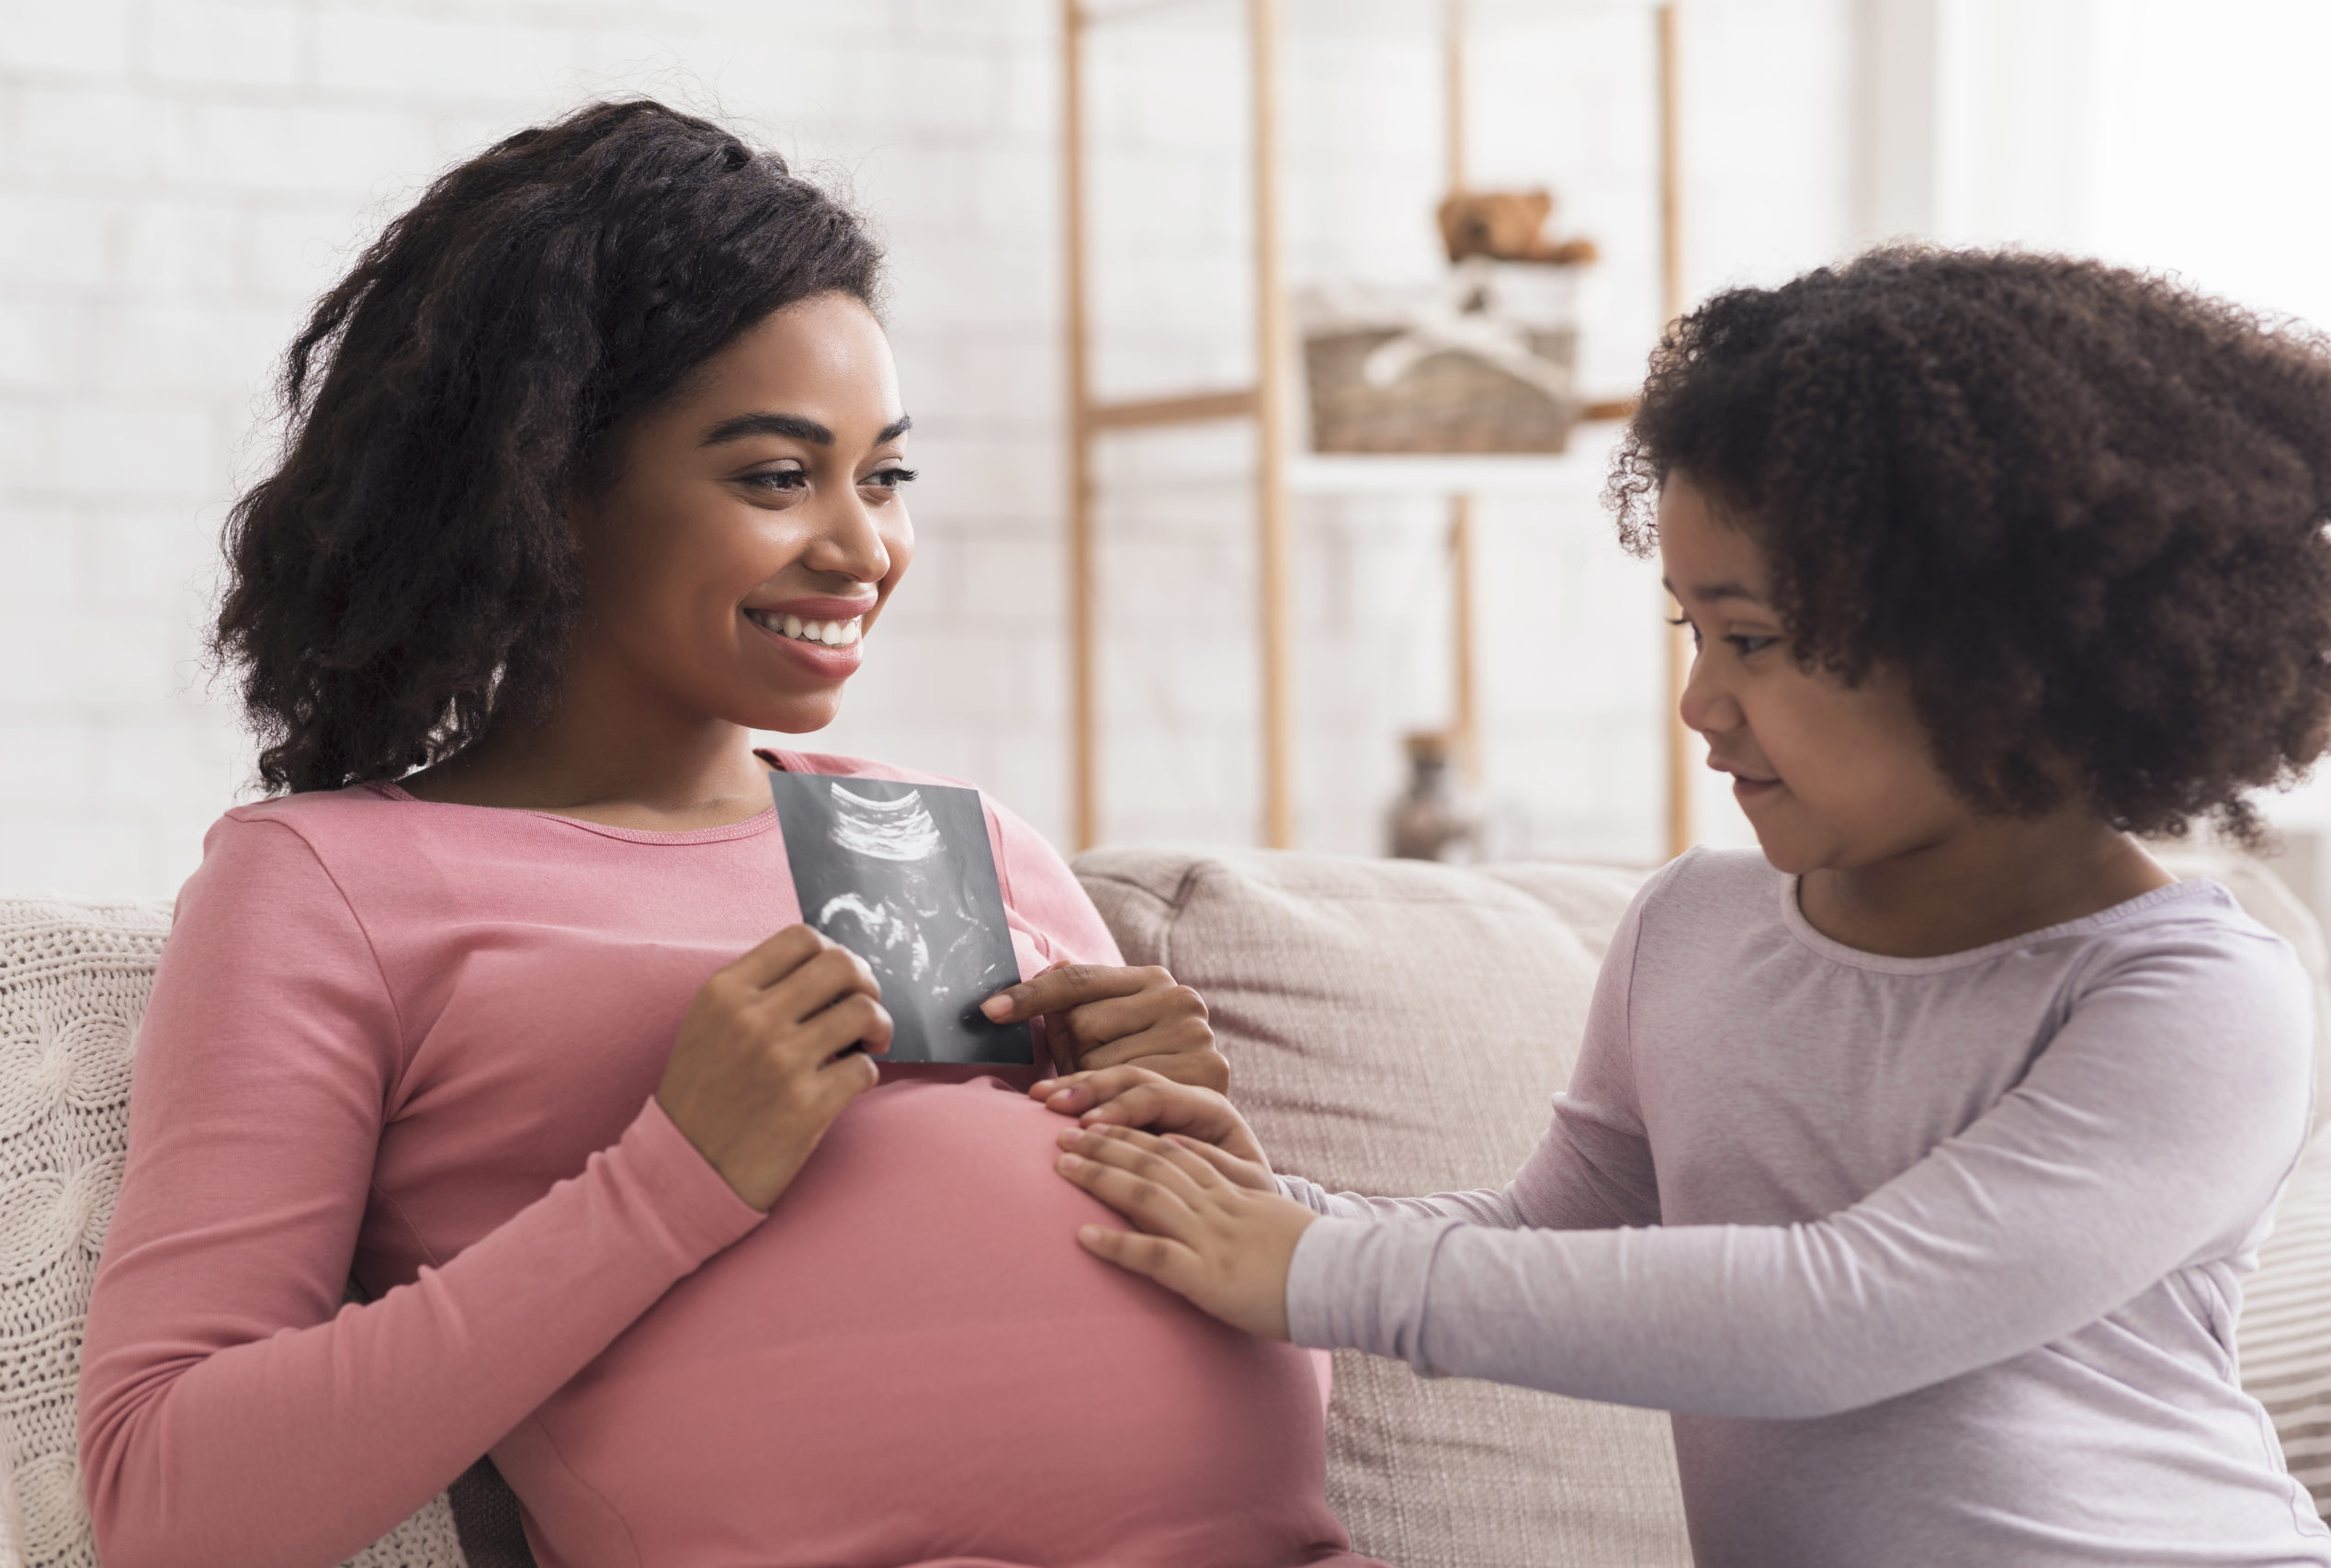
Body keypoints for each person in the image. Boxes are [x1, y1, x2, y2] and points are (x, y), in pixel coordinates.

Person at [77, 101, 1373, 1568]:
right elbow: (168, 1505)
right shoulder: (326, 883)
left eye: (883, 476)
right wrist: (671, 1175)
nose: (863, 547)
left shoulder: (962, 839)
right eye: (778, 476)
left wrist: (1210, 1168)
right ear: (548, 487)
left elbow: (1246, 1364)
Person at [1045, 249, 2331, 1566]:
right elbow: (1544, 1237)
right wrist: (1248, 1205)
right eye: (1692, 632)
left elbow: (1844, 1316)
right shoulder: (1696, 927)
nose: (1701, 705)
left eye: (1756, 639)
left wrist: (1308, 1271)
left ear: (1999, 649)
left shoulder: (2195, 996)